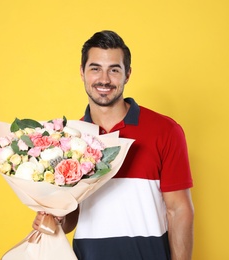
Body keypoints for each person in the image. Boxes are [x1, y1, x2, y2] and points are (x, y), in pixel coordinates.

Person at [33, 30, 194, 260]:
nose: (104, 79)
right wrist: (55, 218)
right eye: (95, 68)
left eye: (114, 70)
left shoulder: (166, 131)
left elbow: (179, 210)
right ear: (82, 72)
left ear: (127, 74)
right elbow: (71, 219)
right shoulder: (69, 138)